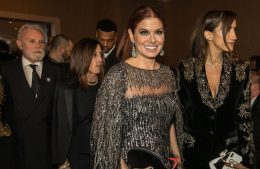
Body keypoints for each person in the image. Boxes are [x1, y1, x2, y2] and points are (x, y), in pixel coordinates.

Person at [91, 6, 191, 169]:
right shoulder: (118, 75)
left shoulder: (168, 74)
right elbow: (106, 137)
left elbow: (170, 121)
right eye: (144, 32)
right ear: (131, 35)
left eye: (158, 32)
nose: (153, 40)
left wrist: (177, 157)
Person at [177, 10, 255, 169]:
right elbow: (179, 117)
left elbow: (244, 118)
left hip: (229, 157)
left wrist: (242, 162)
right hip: (192, 158)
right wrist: (176, 156)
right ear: (208, 35)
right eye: (228, 30)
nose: (234, 36)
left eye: (235, 29)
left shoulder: (241, 70)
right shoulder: (186, 69)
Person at [0, 24, 61, 169]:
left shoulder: (57, 72)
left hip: (48, 152)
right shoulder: (5, 71)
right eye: (32, 41)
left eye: (41, 42)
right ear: (19, 44)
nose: (38, 46)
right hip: (16, 151)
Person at [52, 38, 104, 169]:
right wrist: (61, 159)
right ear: (82, 57)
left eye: (100, 54)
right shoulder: (66, 88)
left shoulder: (106, 87)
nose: (100, 60)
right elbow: (58, 125)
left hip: (102, 155)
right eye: (94, 55)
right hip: (76, 157)